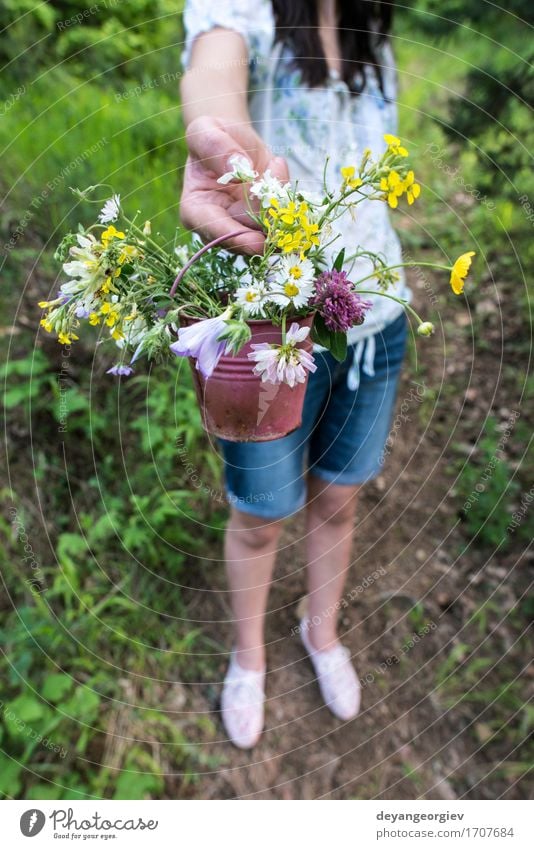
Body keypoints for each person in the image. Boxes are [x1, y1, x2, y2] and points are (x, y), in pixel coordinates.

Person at [180, 0, 409, 749]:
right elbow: (217, 65)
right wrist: (218, 142)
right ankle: (249, 659)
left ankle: (321, 631)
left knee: (338, 502)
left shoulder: (374, 26)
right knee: (259, 512)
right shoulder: (244, 8)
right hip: (270, 330)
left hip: (376, 322)